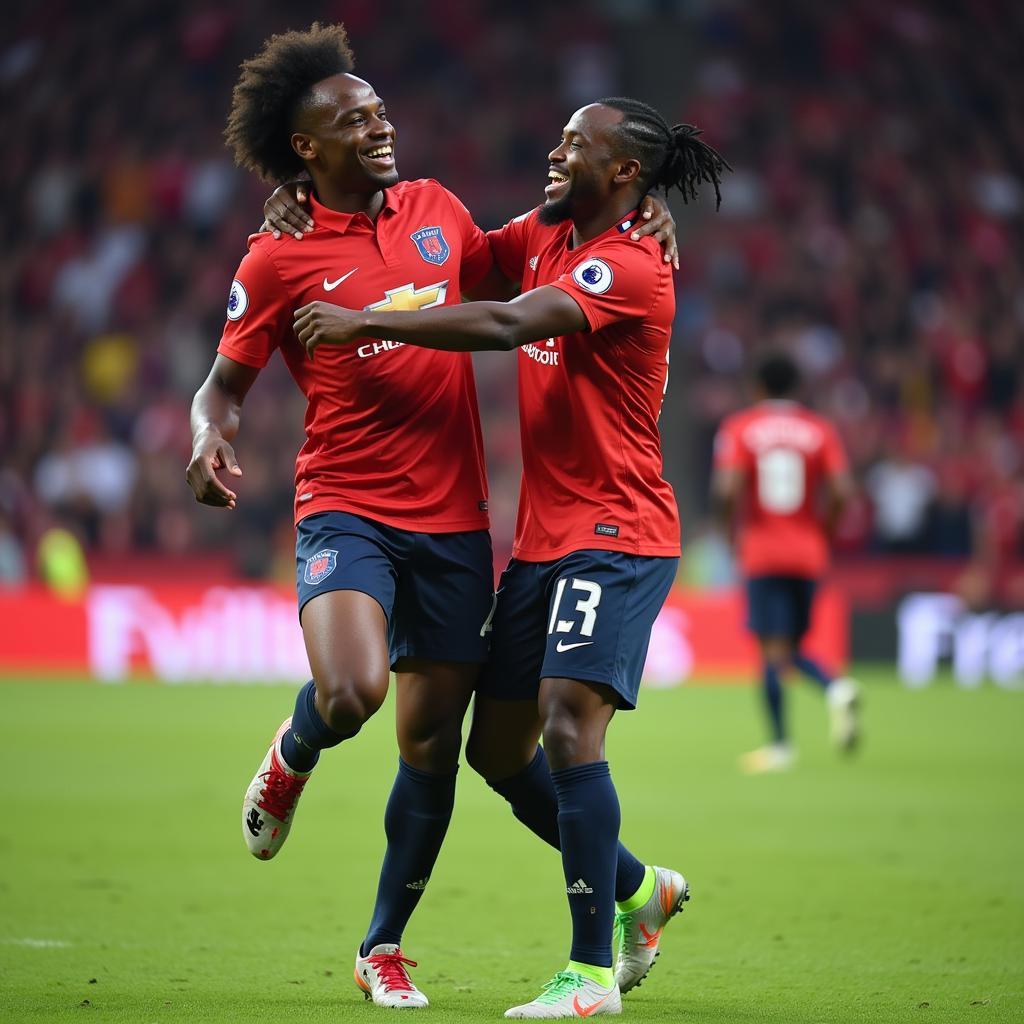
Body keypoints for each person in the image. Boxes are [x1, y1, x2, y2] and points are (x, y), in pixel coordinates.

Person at [187, 23, 679, 1012]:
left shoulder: (438, 213)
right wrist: (206, 435)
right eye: (351, 120)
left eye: (377, 110)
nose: (378, 126)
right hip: (346, 506)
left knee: (437, 746)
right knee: (352, 691)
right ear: (304, 152)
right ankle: (292, 756)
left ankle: (385, 946)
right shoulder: (278, 251)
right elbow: (221, 385)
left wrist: (646, 204)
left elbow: (523, 287)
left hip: (458, 523)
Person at [291, 96, 729, 1019]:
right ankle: (640, 892)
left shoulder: (630, 263)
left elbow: (501, 324)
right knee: (496, 750)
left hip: (615, 533)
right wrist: (304, 204)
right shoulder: (545, 233)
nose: (554, 151)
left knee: (570, 727)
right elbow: (444, 259)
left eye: (578, 145)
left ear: (625, 176)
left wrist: (366, 325)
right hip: (542, 542)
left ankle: (588, 974)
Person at [711, 352, 860, 774]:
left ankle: (782, 742)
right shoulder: (819, 430)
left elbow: (725, 490)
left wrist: (727, 533)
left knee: (772, 652)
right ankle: (835, 689)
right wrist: (823, 532)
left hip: (762, 551)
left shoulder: (741, 427)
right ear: (797, 388)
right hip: (808, 552)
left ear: (758, 388)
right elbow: (844, 491)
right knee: (790, 649)